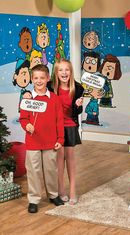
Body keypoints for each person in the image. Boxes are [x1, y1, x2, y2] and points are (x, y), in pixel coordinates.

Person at [19, 64, 65, 214]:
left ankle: (53, 195)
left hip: (50, 141)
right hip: (33, 142)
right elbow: (23, 118)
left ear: (47, 79)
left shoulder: (55, 99)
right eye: (36, 78)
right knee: (33, 171)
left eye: (42, 78)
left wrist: (60, 138)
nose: (39, 81)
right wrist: (27, 126)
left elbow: (59, 120)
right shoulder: (27, 98)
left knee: (51, 169)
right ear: (32, 79)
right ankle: (34, 199)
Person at [49, 58, 84, 205]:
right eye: (61, 70)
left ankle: (72, 190)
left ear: (71, 71)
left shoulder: (77, 88)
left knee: (70, 158)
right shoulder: (50, 87)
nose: (64, 73)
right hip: (55, 127)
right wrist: (26, 94)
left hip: (69, 126)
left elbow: (77, 111)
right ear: (56, 73)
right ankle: (61, 190)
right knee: (59, 159)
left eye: (67, 70)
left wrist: (78, 105)